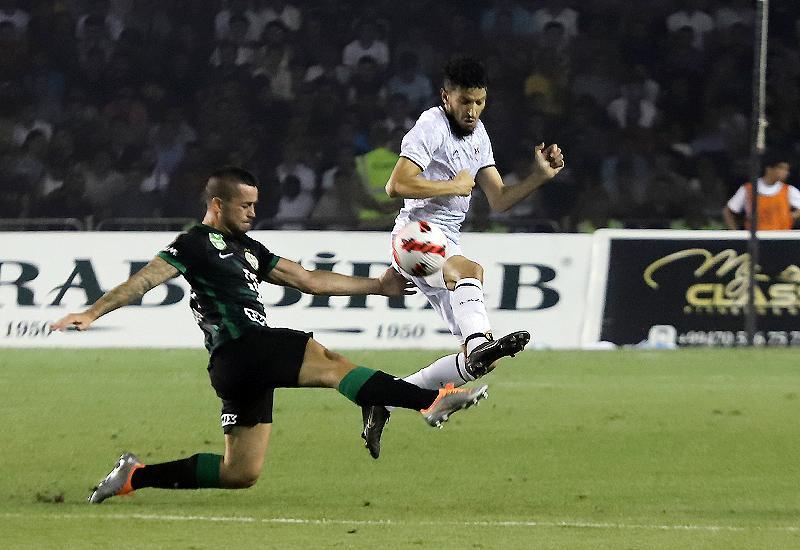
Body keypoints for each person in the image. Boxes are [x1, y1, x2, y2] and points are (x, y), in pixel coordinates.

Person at [52, 167, 490, 504]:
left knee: (240, 472)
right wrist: (91, 313)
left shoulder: (249, 249)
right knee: (331, 365)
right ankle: (428, 400)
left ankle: (134, 476)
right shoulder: (194, 243)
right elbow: (145, 280)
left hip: (238, 367)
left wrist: (377, 286)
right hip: (244, 346)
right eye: (245, 205)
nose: (252, 213)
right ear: (218, 205)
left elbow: (308, 279)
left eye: (255, 205)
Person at [360, 57, 565, 458]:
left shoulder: (478, 133)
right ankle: (478, 341)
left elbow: (499, 199)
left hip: (446, 240)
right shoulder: (431, 125)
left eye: (480, 102)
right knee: (470, 270)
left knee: (480, 364)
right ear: (446, 97)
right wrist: (450, 186)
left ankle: (384, 399)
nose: (472, 111)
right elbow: (396, 185)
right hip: (413, 234)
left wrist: (539, 176)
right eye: (465, 102)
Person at [723, 155, 800, 230]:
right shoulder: (748, 189)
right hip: (756, 237)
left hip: (781, 236)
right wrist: (735, 233)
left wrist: (789, 217)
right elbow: (728, 211)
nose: (786, 172)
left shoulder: (789, 190)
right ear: (769, 169)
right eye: (781, 168)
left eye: (787, 170)